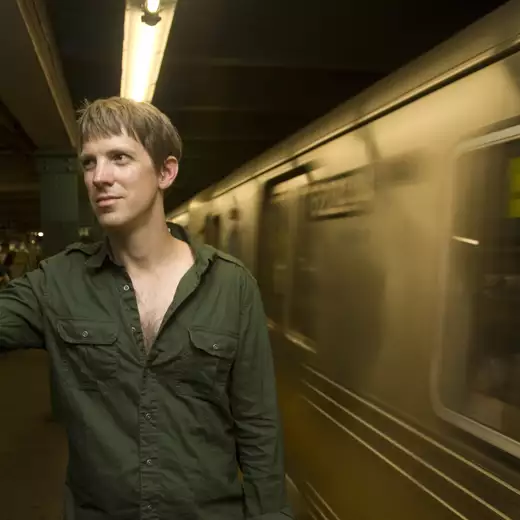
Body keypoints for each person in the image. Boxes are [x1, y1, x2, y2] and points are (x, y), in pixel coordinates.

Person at [0, 97, 292, 520]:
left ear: (165, 172)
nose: (100, 177)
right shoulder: (57, 282)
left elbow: (258, 426)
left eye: (119, 158)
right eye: (89, 163)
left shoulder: (231, 285)